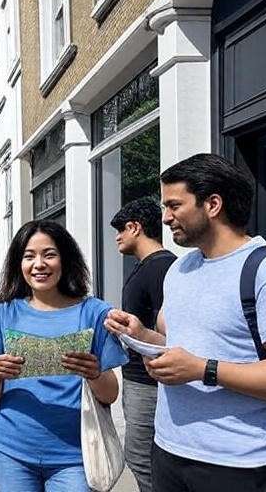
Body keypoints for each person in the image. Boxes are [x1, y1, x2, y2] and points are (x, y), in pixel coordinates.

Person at [105, 154, 266, 492]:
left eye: (174, 205)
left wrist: (205, 369)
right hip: (168, 452)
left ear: (213, 204)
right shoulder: (180, 270)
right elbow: (182, 349)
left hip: (241, 464)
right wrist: (141, 335)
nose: (165, 217)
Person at [0, 220, 128, 492]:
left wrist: (94, 373)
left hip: (77, 455)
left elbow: (109, 395)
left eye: (49, 254)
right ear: (18, 263)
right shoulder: (1, 314)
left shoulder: (94, 313)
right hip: (10, 450)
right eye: (29, 256)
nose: (39, 264)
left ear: (65, 259)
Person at [109, 197, 176, 492]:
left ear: (135, 227)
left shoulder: (162, 268)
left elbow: (173, 332)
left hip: (150, 382)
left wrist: (136, 334)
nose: (117, 237)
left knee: (139, 458)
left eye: (121, 229)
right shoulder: (145, 266)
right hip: (138, 378)